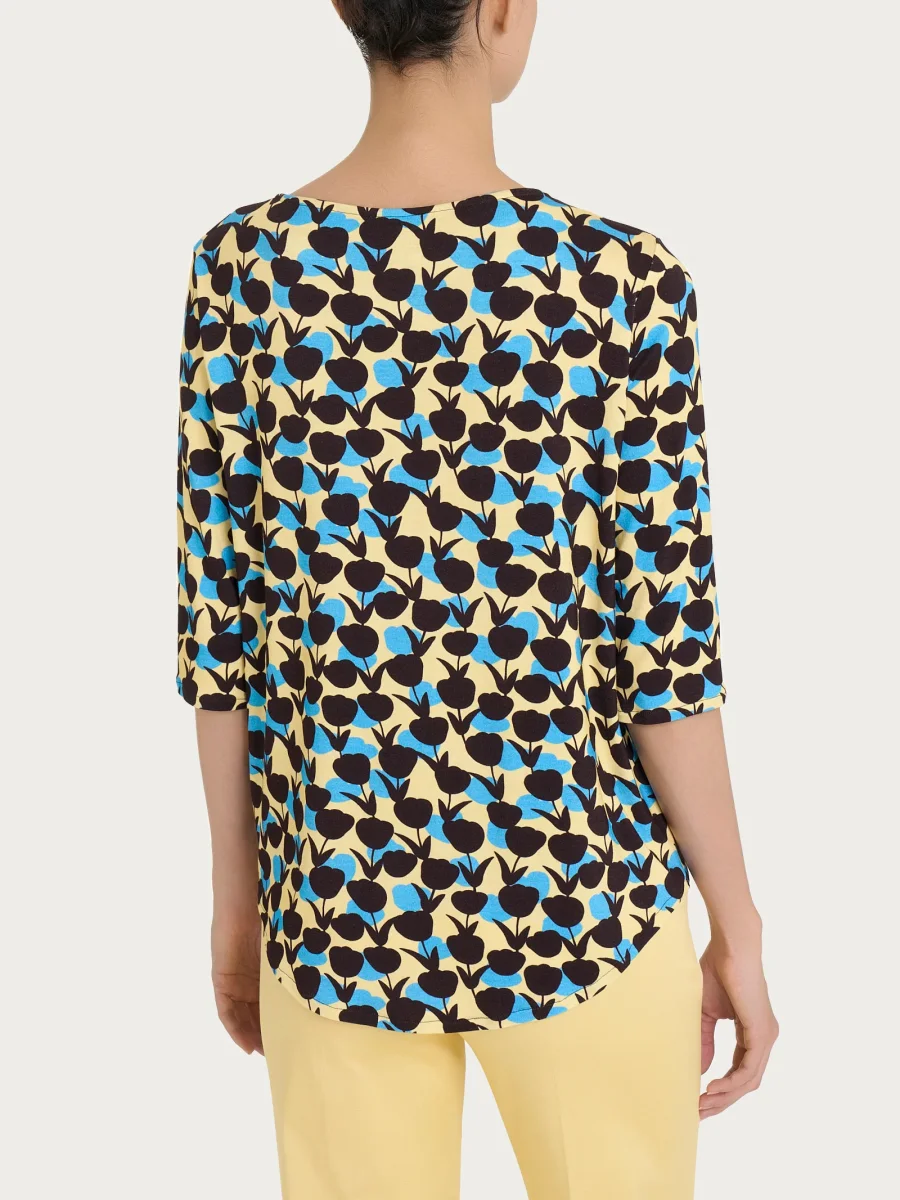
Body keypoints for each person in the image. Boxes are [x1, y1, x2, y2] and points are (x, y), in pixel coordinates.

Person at [175, 1, 778, 1196]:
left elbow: (220, 638)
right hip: (583, 908)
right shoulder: (622, 281)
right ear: (501, 7)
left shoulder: (241, 270)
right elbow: (666, 659)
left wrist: (238, 906)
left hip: (336, 915)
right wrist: (740, 928)